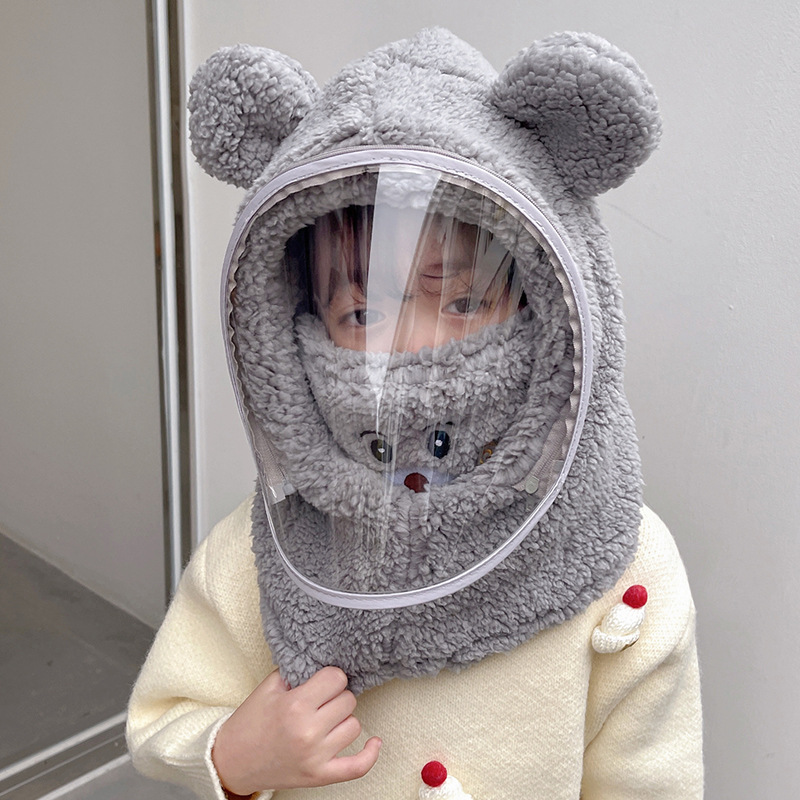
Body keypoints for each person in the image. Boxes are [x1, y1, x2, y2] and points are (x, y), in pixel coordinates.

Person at [127, 28, 703, 800]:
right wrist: (232, 757)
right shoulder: (272, 551)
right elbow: (164, 717)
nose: (413, 355)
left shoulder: (620, 558)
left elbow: (651, 782)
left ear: (549, 312)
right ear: (295, 329)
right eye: (364, 315)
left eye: (462, 302)